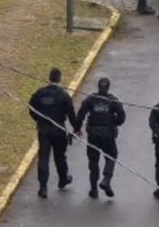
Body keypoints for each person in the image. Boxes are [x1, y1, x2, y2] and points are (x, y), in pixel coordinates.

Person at [28, 67, 78, 198]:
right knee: (60, 156)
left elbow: (31, 108)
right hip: (59, 129)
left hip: (44, 130)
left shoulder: (40, 93)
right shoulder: (63, 95)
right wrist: (76, 128)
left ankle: (43, 187)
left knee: (43, 158)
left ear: (49, 78)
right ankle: (63, 179)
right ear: (59, 79)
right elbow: (71, 114)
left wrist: (38, 120)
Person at [75, 77, 126, 199]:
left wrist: (77, 128)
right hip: (107, 134)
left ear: (98, 86)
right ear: (108, 87)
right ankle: (106, 180)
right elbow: (122, 117)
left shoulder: (90, 99)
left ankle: (94, 189)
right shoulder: (113, 100)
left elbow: (81, 114)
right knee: (111, 156)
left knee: (93, 161)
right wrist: (114, 123)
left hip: (93, 134)